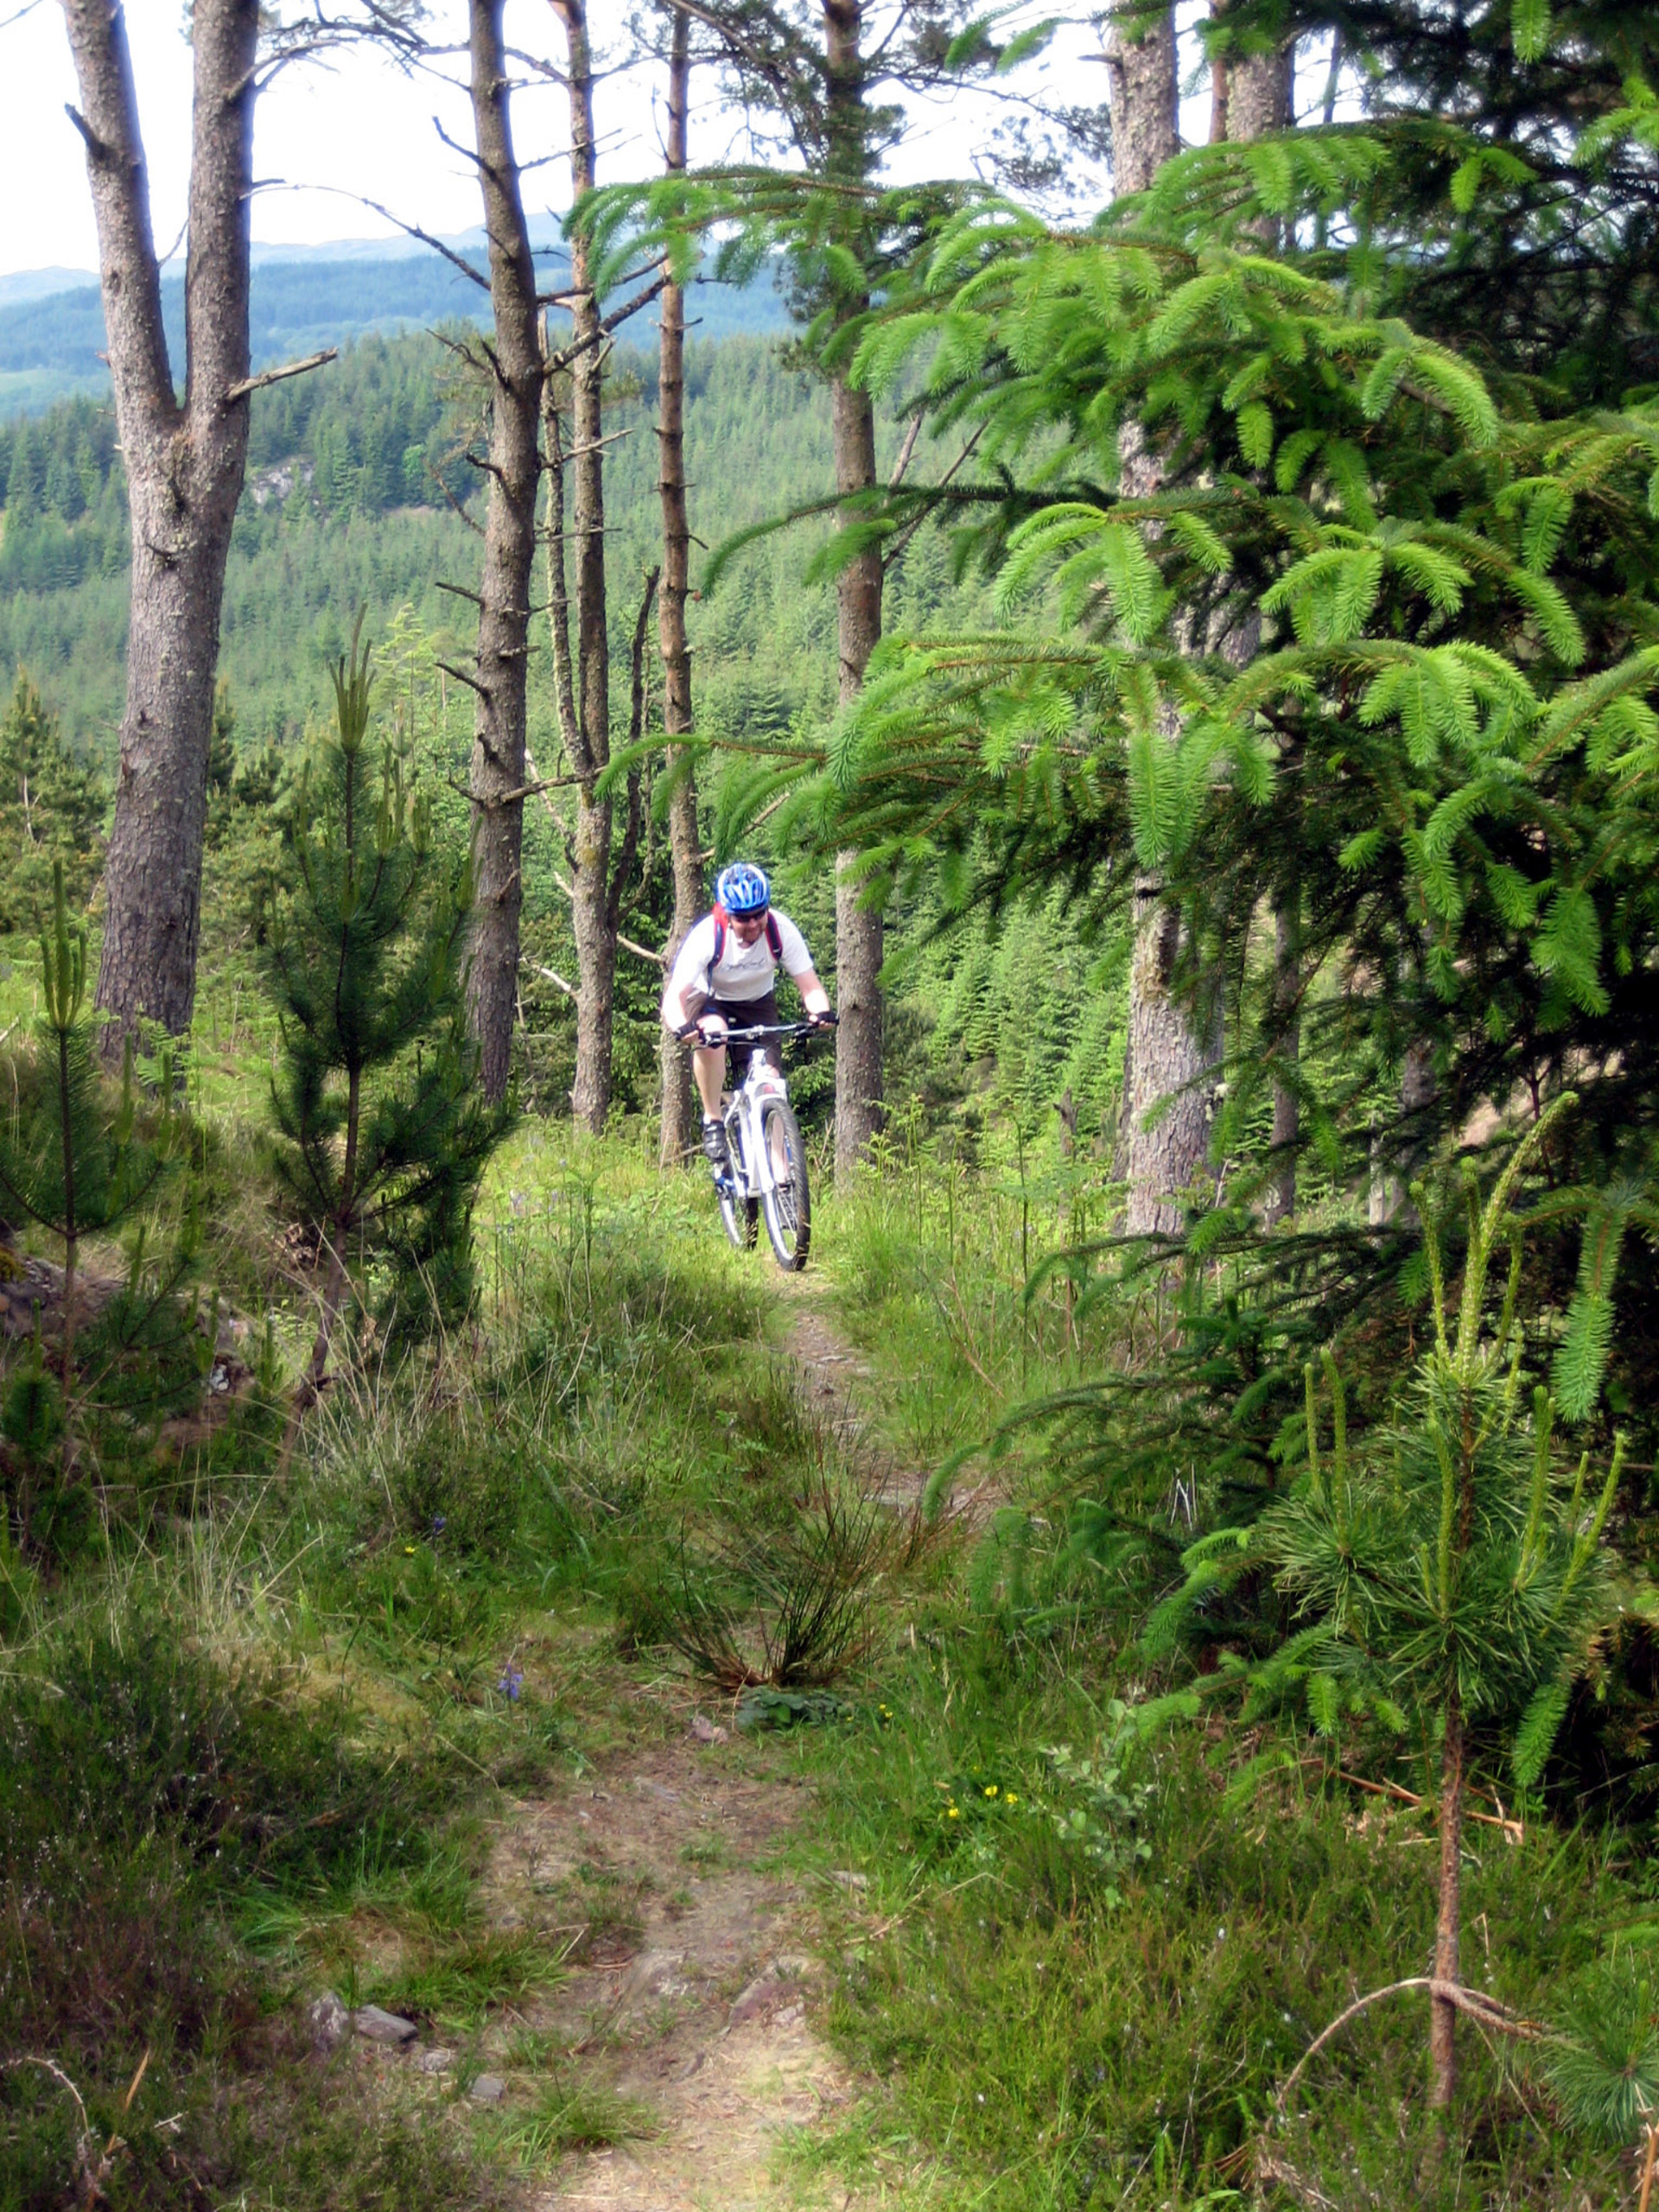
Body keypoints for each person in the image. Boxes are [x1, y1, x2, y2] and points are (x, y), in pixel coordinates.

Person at [661, 863, 833, 1174]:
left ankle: (782, 1177)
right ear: (726, 914)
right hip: (711, 999)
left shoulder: (781, 930)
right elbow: (673, 999)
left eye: (759, 914)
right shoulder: (707, 937)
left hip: (757, 1003)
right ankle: (713, 1119)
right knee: (715, 1035)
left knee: (772, 1084)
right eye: (743, 918)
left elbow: (811, 987)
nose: (753, 924)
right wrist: (683, 1027)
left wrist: (820, 1012)